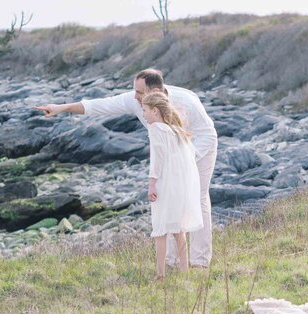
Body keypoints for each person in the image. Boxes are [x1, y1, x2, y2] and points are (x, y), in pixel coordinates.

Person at [36, 67, 218, 267]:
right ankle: (173, 262)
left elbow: (208, 135)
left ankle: (200, 262)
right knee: (170, 202)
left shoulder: (186, 102)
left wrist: (184, 157)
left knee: (197, 198)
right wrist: (61, 107)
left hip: (200, 149)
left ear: (155, 91)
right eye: (135, 91)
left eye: (140, 92)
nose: (135, 97)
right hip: (170, 155)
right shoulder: (135, 101)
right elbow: (100, 105)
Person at [142, 91, 202, 277]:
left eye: (144, 110)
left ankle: (160, 275)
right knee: (178, 228)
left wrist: (152, 183)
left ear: (154, 111)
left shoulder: (156, 129)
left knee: (160, 229)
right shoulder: (175, 130)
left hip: (164, 183)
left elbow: (157, 159)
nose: (143, 114)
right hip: (178, 184)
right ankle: (185, 271)